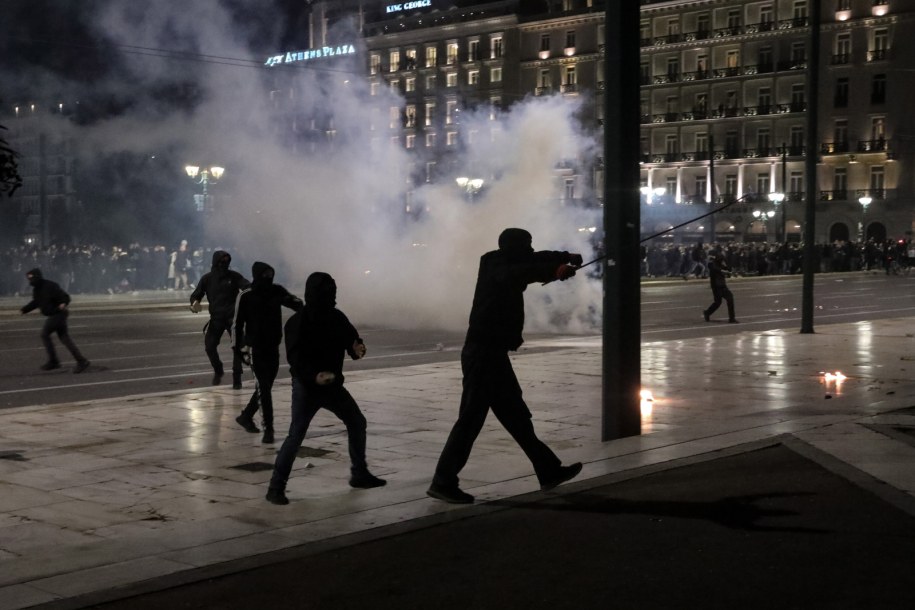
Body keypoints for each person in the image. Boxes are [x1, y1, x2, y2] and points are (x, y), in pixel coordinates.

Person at [427, 228, 583, 505]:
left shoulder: (504, 259)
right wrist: (555, 270)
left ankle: (548, 470)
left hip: (492, 354)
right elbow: (522, 272)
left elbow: (533, 261)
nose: (531, 250)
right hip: (483, 354)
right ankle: (443, 481)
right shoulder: (497, 266)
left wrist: (564, 257)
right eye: (527, 246)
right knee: (471, 420)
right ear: (515, 247)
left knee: (516, 416)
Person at [266, 272, 386, 505]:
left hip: (331, 386)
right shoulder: (298, 322)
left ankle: (359, 473)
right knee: (296, 435)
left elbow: (351, 340)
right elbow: (295, 359)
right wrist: (314, 376)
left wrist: (357, 348)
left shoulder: (336, 317)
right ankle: (275, 487)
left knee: (356, 422)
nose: (331, 296)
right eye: (327, 292)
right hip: (307, 388)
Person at [233, 261, 303, 443]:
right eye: (265, 274)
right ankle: (268, 429)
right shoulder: (246, 296)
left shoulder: (276, 291)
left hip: (273, 345)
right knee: (264, 387)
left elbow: (295, 304)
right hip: (255, 348)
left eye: (270, 274)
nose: (268, 278)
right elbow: (237, 324)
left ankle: (246, 416)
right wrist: (238, 348)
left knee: (265, 386)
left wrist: (301, 305)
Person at [190, 250, 250, 388]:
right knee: (210, 346)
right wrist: (194, 304)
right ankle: (218, 369)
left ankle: (237, 377)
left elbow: (247, 287)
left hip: (233, 318)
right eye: (222, 260)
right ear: (216, 261)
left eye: (227, 260)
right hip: (216, 318)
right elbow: (196, 295)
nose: (225, 263)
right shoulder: (207, 279)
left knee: (238, 347)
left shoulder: (234, 276)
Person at [20, 268, 90, 373]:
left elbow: (65, 297)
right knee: (64, 338)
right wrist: (25, 310)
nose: (31, 281)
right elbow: (36, 302)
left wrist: (63, 303)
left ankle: (54, 361)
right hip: (54, 314)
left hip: (58, 314)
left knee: (45, 334)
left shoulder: (50, 285)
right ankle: (81, 361)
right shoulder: (37, 289)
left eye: (32, 278)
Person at [703, 252, 738, 323]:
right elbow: (716, 269)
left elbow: (728, 270)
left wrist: (726, 267)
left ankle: (732, 318)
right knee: (718, 302)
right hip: (716, 286)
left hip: (722, 285)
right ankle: (707, 313)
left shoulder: (721, 264)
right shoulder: (712, 264)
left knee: (728, 299)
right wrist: (724, 270)